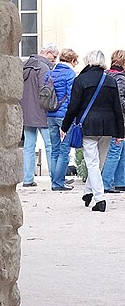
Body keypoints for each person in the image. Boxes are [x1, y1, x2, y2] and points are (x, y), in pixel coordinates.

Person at [59, 49, 125, 211]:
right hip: (108, 126)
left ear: (88, 61)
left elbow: (73, 107)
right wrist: (120, 132)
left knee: (92, 163)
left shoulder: (81, 80)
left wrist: (65, 126)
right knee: (99, 163)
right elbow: (117, 108)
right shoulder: (110, 81)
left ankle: (100, 199)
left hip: (88, 126)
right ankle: (88, 192)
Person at [20, 46, 57, 187]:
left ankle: (27, 178)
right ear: (47, 53)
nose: (55, 60)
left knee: (29, 146)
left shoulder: (25, 65)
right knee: (50, 145)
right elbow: (46, 91)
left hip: (27, 111)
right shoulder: (43, 67)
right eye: (54, 56)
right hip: (42, 112)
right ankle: (55, 178)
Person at [47, 49, 78, 190]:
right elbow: (72, 97)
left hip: (50, 114)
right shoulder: (70, 74)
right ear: (71, 60)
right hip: (64, 115)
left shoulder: (50, 72)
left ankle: (54, 180)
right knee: (64, 150)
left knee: (54, 149)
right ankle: (58, 183)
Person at [100, 53, 125, 192]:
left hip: (108, 117)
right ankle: (107, 183)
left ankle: (120, 181)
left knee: (121, 150)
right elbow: (121, 102)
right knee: (116, 150)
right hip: (118, 119)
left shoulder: (106, 75)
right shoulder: (120, 78)